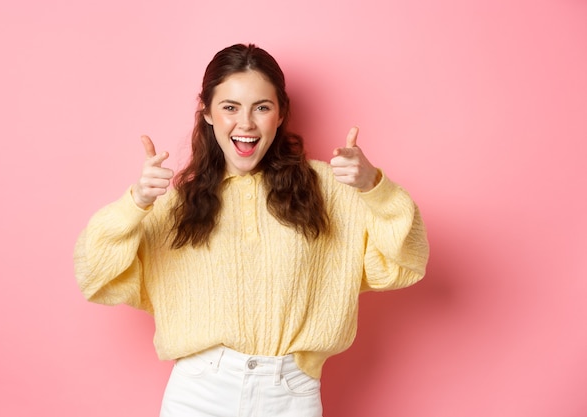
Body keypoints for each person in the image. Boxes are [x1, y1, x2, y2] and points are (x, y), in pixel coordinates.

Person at [74, 43, 429, 417]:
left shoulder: (331, 189)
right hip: (198, 393)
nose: (245, 123)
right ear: (208, 114)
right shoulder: (174, 202)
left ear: (280, 115)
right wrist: (136, 202)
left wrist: (374, 185)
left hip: (290, 393)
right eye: (230, 107)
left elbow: (406, 259)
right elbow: (95, 273)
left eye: (261, 107)